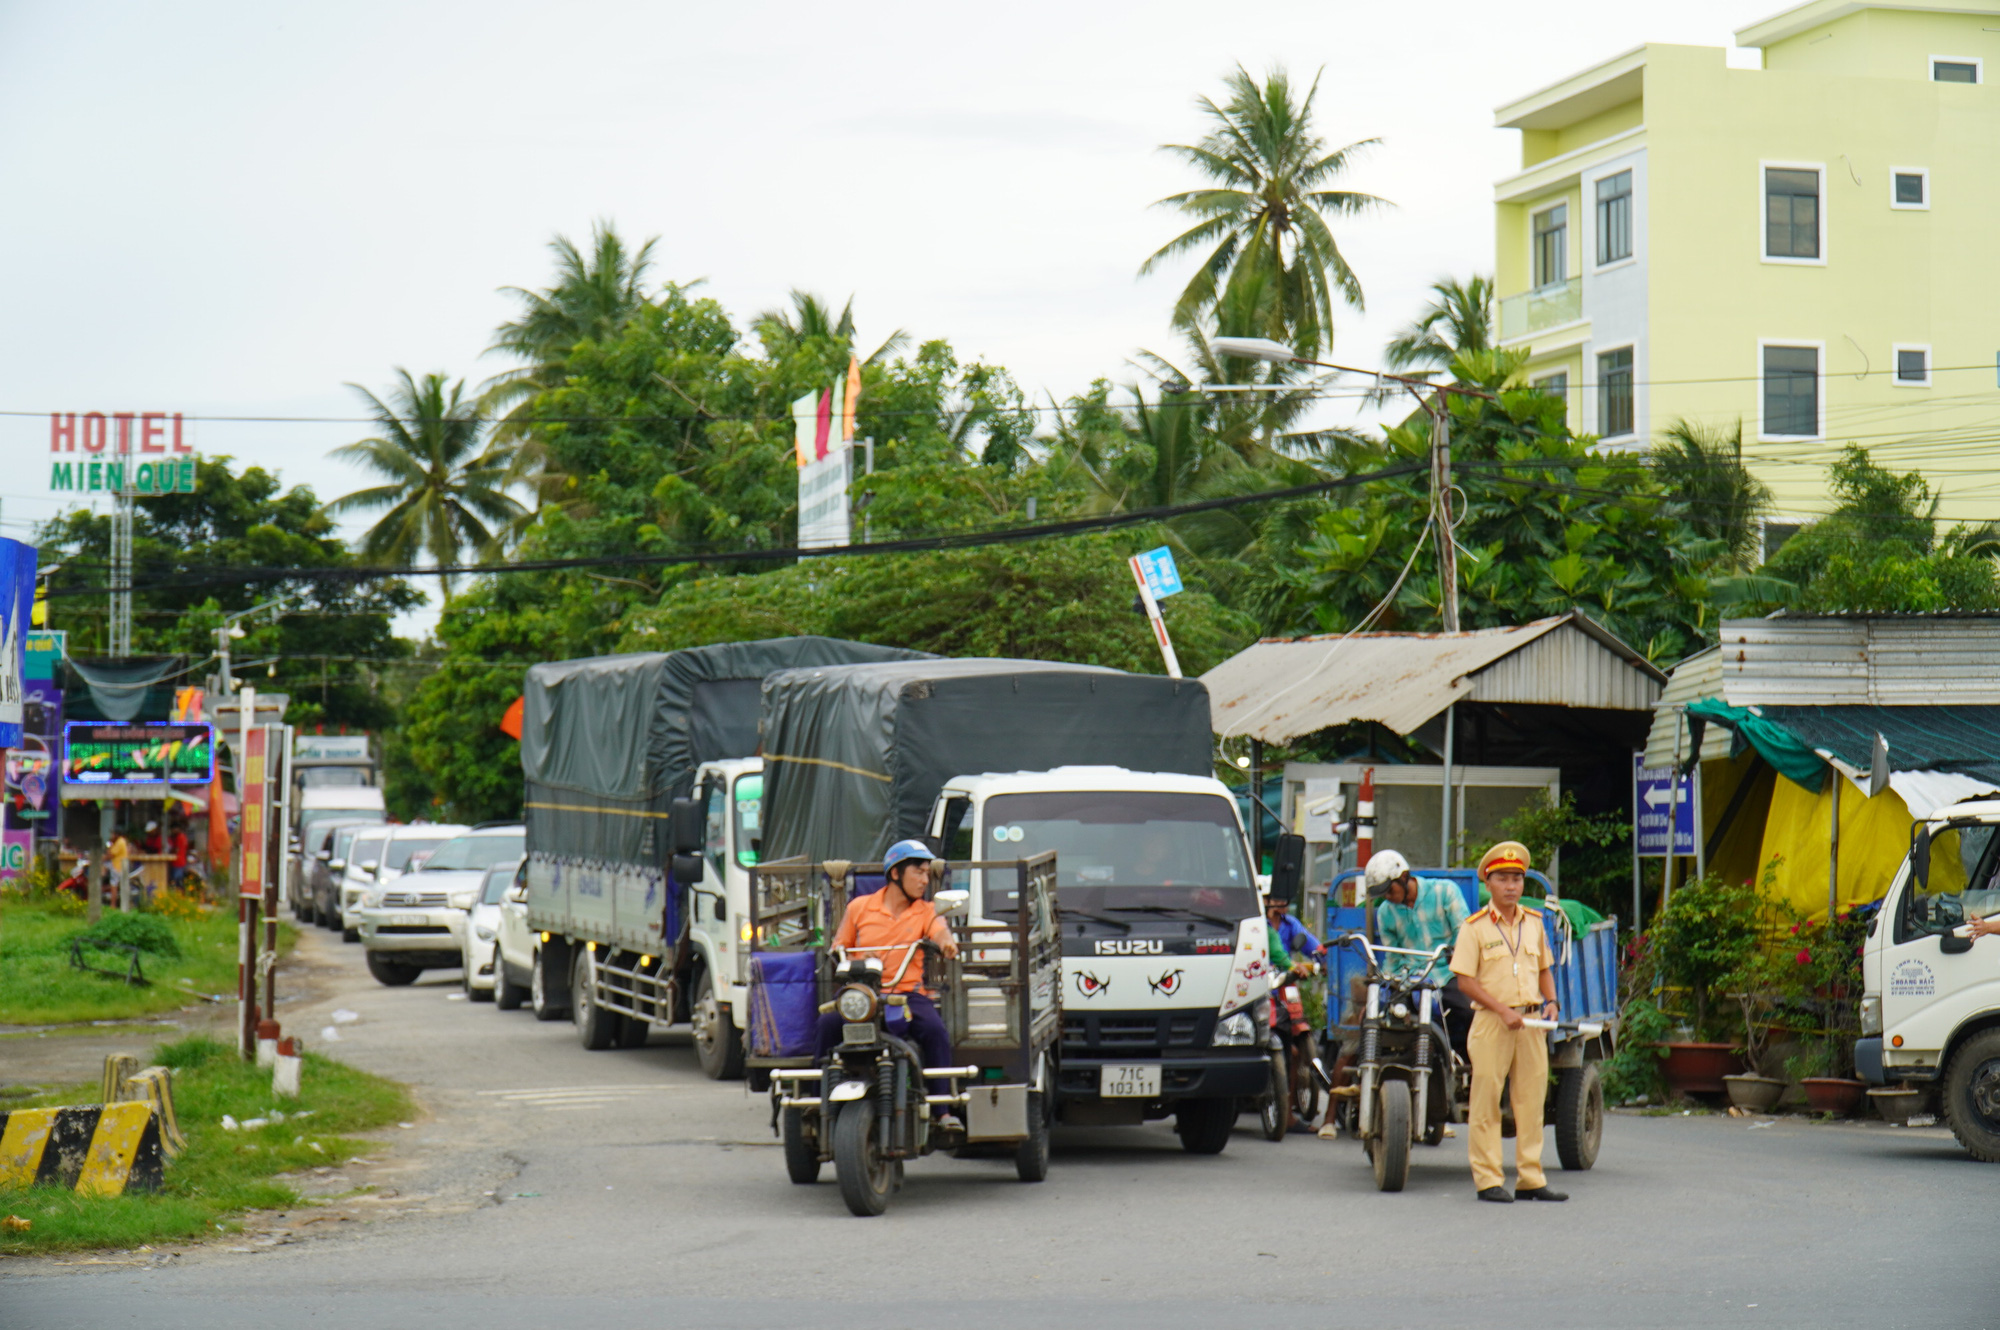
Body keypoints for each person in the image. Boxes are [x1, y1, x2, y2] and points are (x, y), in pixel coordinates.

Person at [1450, 840, 1566, 1203]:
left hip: (1531, 1023)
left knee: (1531, 1102)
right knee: (1485, 1102)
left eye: (1517, 879)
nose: (1512, 886)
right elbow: (1464, 980)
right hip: (1491, 1022)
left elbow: (1544, 968)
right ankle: (1487, 1179)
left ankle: (1530, 1178)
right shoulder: (1475, 927)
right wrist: (1502, 1010)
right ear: (1489, 883)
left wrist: (1552, 1002)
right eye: (1503, 879)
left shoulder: (1534, 923)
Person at [813, 839, 961, 1123]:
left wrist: (947, 943)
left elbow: (940, 931)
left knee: (935, 1031)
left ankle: (942, 1111)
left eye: (927, 873)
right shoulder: (859, 907)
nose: (924, 879)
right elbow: (840, 945)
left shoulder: (926, 910)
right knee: (824, 1027)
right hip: (862, 995)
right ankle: (814, 1101)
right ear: (895, 873)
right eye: (918, 871)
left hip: (907, 996)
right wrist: (842, 953)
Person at [1368, 848, 1474, 1054]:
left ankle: (1472, 1065)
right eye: (1383, 894)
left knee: (1473, 1012)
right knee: (1374, 1016)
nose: (1388, 897)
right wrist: (1388, 982)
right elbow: (1392, 956)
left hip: (1448, 972)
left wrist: (1455, 954)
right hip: (1410, 978)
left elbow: (1464, 933)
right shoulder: (1385, 912)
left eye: (1390, 891)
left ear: (1405, 877)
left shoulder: (1444, 891)